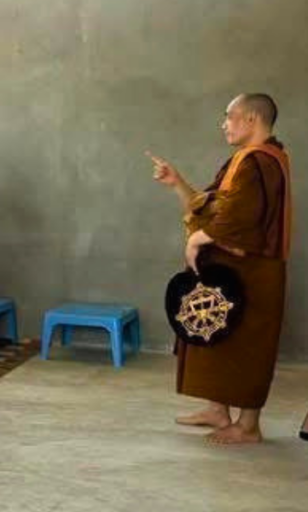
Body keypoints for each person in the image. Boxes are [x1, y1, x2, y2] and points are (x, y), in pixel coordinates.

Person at [150, 93, 291, 445]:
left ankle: (248, 427)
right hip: (232, 270)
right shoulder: (243, 161)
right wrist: (177, 183)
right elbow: (212, 207)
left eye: (229, 116)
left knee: (248, 348)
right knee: (218, 339)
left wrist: (197, 240)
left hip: (255, 273)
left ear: (251, 119)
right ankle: (218, 410)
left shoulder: (262, 162)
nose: (224, 123)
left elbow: (240, 219)